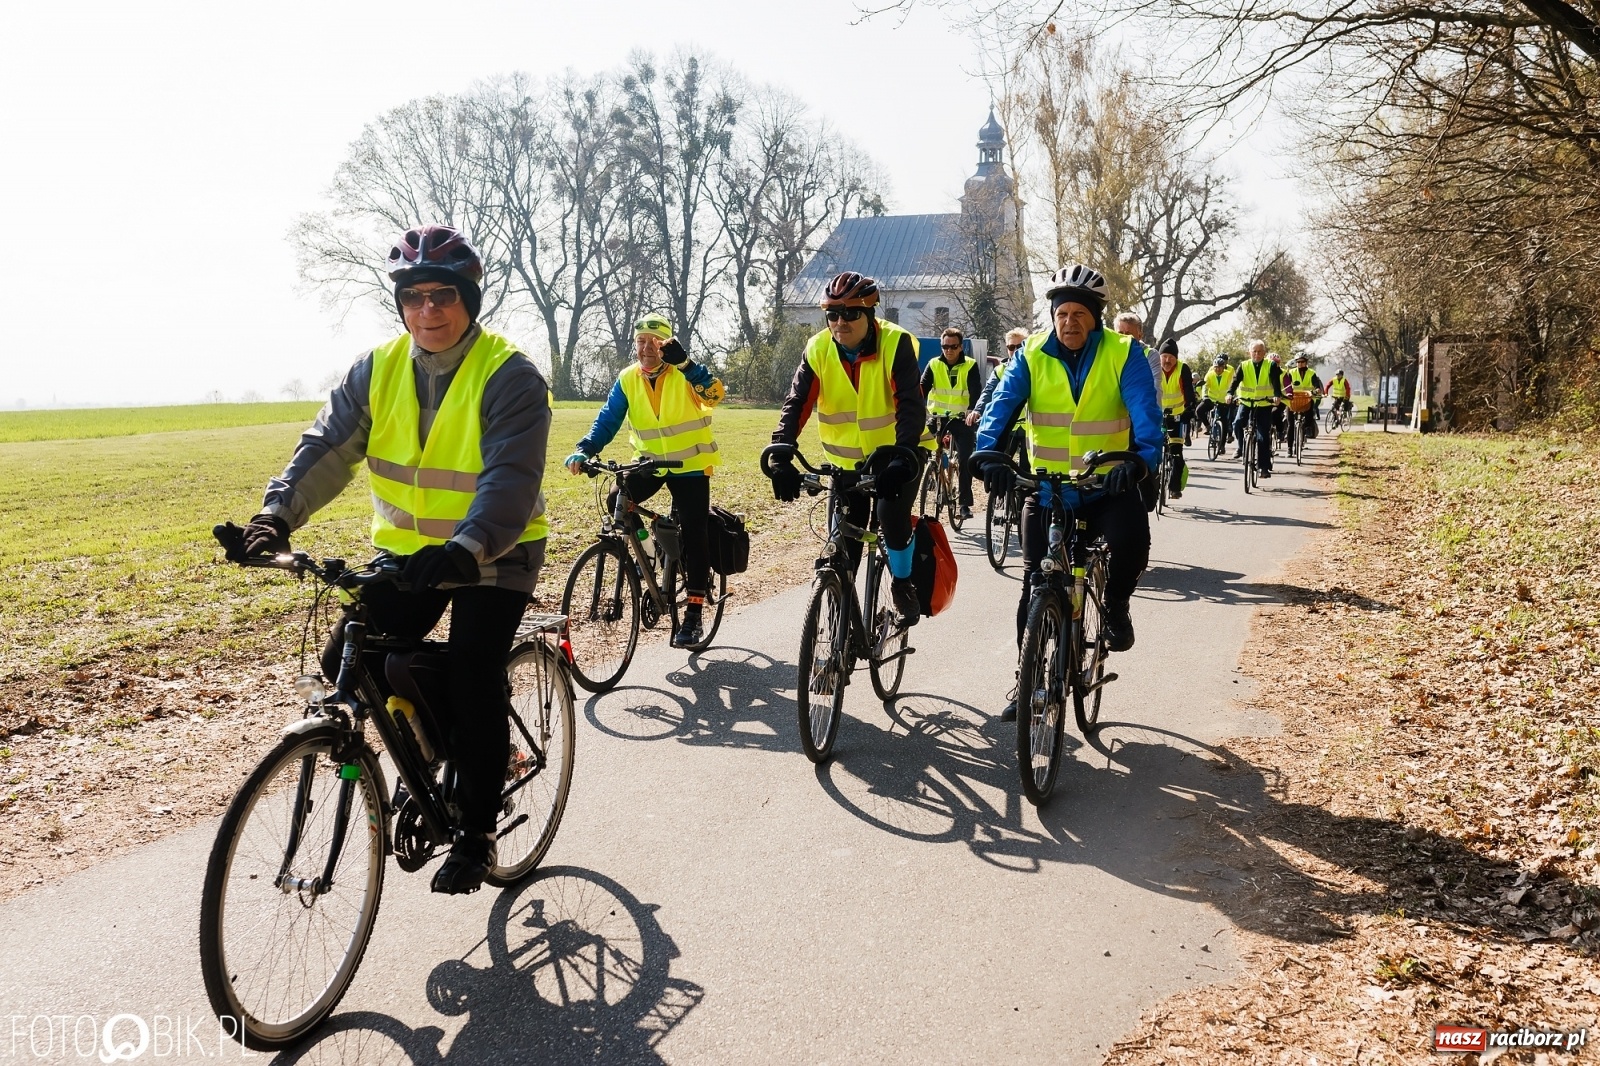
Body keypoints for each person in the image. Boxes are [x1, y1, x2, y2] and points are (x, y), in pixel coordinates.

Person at [234, 224, 551, 895]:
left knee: (471, 668)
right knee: (347, 663)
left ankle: (476, 824)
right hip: (408, 554)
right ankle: (439, 757)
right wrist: (275, 515)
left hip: (495, 551)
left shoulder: (509, 374)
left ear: (470, 300)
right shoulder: (375, 370)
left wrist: (468, 546)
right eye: (414, 297)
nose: (428, 310)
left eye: (443, 296)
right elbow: (325, 447)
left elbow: (511, 477)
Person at [973, 264, 1162, 721]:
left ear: (1096, 317)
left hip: (1107, 486)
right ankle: (1026, 678)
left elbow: (1146, 414)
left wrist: (1138, 460)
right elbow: (1001, 407)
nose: (1070, 322)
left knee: (1132, 542)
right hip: (1049, 488)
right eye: (1062, 313)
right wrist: (987, 453)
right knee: (1035, 585)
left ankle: (1116, 604)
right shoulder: (1031, 354)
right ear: (1052, 315)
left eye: (1080, 313)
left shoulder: (1124, 353)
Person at [768, 271, 926, 623]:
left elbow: (910, 405)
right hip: (846, 463)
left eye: (851, 313)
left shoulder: (895, 343)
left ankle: (902, 583)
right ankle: (840, 637)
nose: (841, 322)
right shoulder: (819, 348)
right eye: (832, 314)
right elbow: (796, 403)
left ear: (871, 314)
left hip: (898, 454)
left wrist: (903, 455)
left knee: (889, 515)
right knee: (843, 546)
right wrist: (780, 452)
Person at [565, 314, 726, 647]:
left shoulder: (684, 374)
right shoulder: (627, 379)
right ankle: (649, 558)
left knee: (695, 532)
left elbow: (714, 395)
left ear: (666, 345)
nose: (646, 348)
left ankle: (694, 614)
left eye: (654, 342)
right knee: (616, 501)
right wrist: (585, 448)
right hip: (650, 464)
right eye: (640, 341)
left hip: (690, 465)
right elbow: (607, 420)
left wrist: (688, 365)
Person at [921, 327, 982, 519]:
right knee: (918, 445)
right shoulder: (933, 364)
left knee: (965, 459)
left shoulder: (970, 365)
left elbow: (975, 391)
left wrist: (972, 410)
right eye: (945, 346)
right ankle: (930, 476)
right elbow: (922, 389)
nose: (948, 350)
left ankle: (964, 504)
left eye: (953, 346)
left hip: (962, 419)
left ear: (960, 347)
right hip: (937, 417)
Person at [1228, 340, 1283, 478]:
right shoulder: (1244, 365)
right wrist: (1229, 393)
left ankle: (1263, 468)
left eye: (1259, 351)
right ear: (1249, 352)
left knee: (1263, 436)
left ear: (1264, 353)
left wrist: (1277, 396)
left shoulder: (1270, 365)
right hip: (1246, 402)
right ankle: (1241, 447)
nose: (1257, 354)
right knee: (1238, 423)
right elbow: (1235, 382)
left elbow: (1276, 383)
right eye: (1254, 351)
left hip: (1264, 404)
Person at [1156, 338, 1197, 499]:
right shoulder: (1153, 367)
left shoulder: (1182, 369)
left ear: (1176, 358)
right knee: (1150, 449)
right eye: (1164, 356)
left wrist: (1189, 409)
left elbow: (1188, 391)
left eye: (1171, 357)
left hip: (1177, 416)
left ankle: (1174, 488)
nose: (1167, 360)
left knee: (1176, 454)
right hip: (1156, 415)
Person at [1195, 354, 1236, 445]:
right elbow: (1205, 386)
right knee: (1199, 410)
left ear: (1223, 367)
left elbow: (1232, 386)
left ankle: (1222, 445)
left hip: (1223, 400)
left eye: (1220, 367)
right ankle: (1208, 426)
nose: (1218, 369)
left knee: (1224, 422)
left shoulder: (1228, 374)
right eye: (1216, 367)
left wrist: (1231, 396)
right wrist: (1205, 396)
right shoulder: (1209, 374)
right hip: (1211, 399)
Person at [1283, 353, 1324, 441]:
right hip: (1293, 399)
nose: (1300, 363)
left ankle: (1308, 428)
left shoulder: (1311, 373)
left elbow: (1316, 385)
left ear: (1306, 362)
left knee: (1310, 411)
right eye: (1298, 362)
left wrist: (1317, 390)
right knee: (1290, 421)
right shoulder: (1291, 372)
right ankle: (1289, 443)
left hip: (1307, 398)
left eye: (1302, 361)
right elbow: (1286, 385)